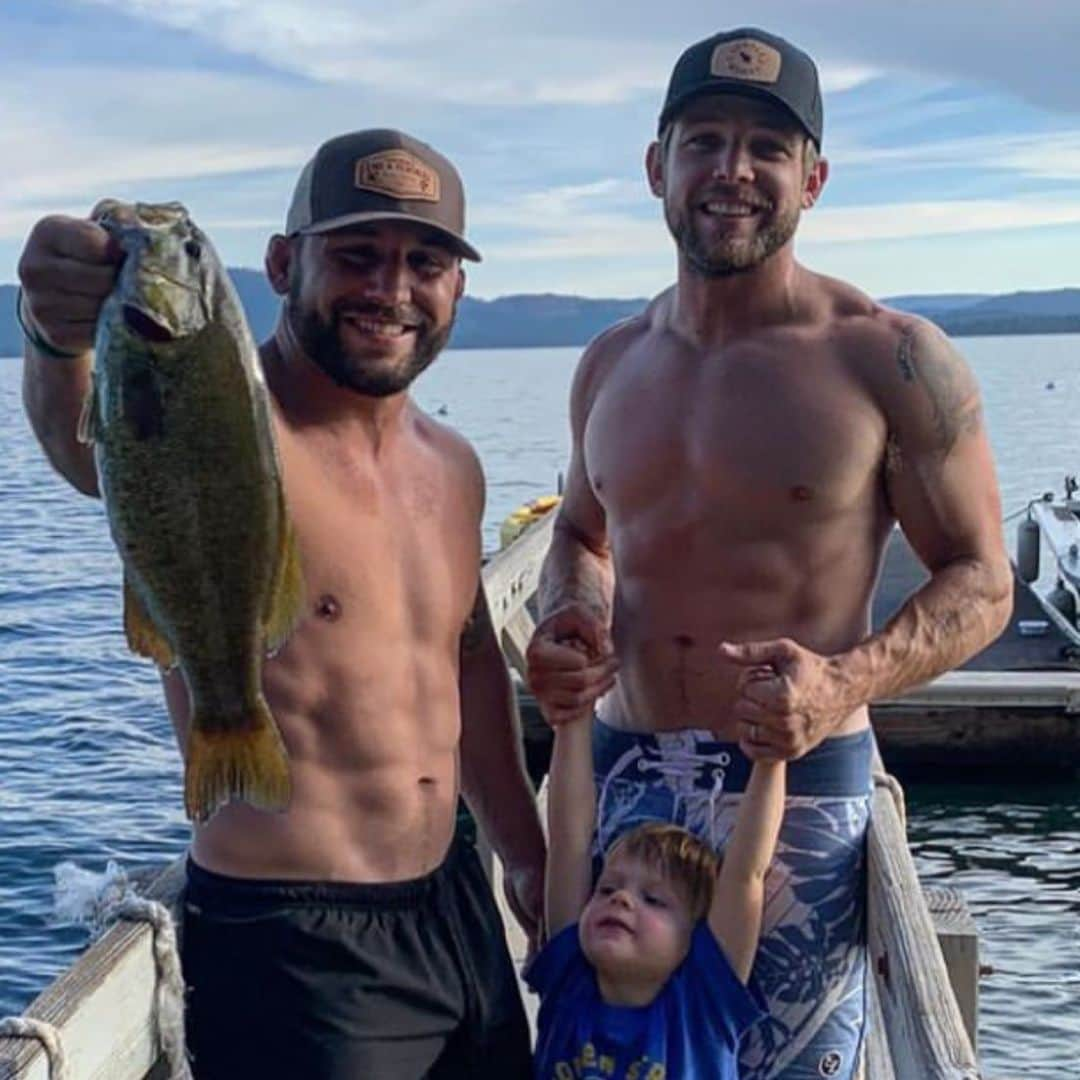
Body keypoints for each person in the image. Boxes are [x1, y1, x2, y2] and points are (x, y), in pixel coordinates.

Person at [525, 26, 1013, 1080]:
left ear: (814, 178)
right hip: (625, 777)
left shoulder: (886, 357)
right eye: (703, 141)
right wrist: (570, 616)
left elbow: (984, 579)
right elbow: (578, 532)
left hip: (797, 783)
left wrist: (843, 682)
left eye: (767, 148)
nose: (731, 171)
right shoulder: (611, 362)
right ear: (658, 168)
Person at [18, 128, 545, 1079]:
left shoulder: (453, 466)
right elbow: (88, 447)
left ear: (457, 288)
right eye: (356, 256)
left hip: (456, 907)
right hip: (294, 942)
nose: (391, 289)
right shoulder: (225, 417)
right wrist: (55, 337)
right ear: (281, 263)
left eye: (424, 263)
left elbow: (466, 660)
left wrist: (528, 853)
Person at [528, 701, 785, 1079]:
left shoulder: (702, 1002)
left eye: (653, 899)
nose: (621, 898)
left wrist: (772, 759)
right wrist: (573, 716)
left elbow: (746, 874)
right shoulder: (569, 975)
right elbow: (570, 843)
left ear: (693, 937)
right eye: (606, 889)